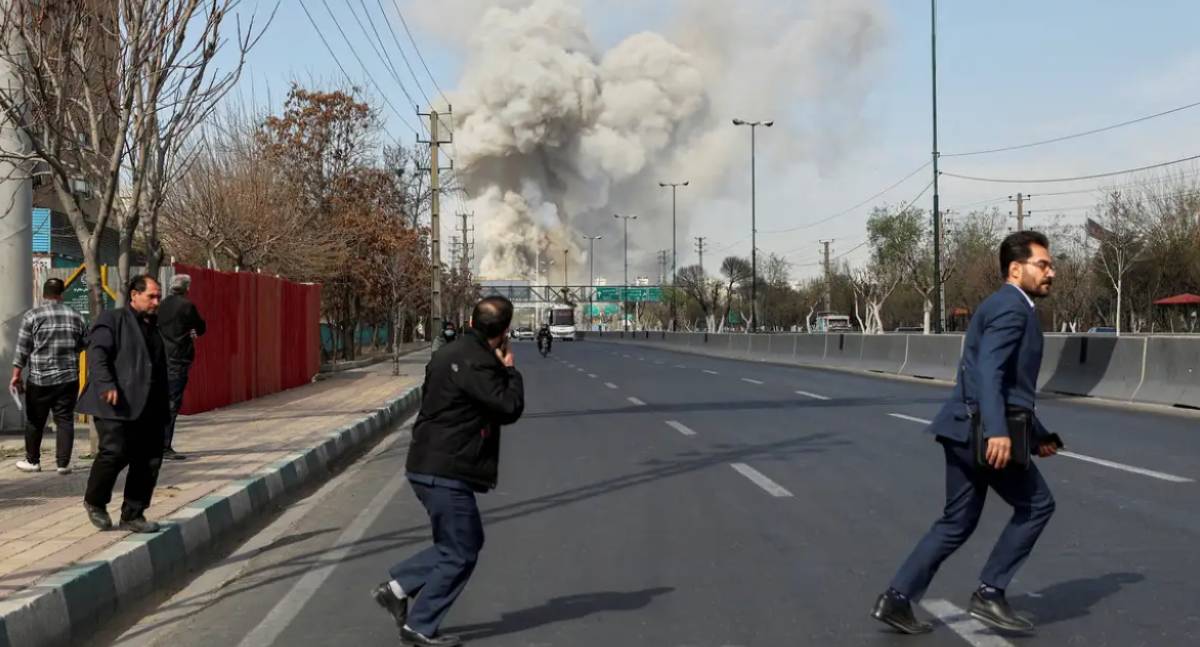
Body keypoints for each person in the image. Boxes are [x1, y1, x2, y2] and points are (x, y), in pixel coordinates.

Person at [872, 231, 1060, 634]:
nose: (1051, 272)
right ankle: (990, 593)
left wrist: (1038, 436)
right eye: (1043, 265)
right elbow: (989, 372)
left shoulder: (998, 304)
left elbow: (1004, 386)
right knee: (1037, 505)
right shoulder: (1014, 308)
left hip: (960, 429)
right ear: (1016, 269)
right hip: (983, 433)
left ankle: (896, 598)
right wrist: (997, 432)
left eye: (1051, 265)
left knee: (956, 522)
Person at [373, 296, 524, 647]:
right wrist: (510, 370)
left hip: (425, 462)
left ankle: (397, 588)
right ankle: (419, 625)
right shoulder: (481, 364)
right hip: (446, 469)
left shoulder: (446, 353)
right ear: (504, 331)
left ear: (471, 322)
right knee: (461, 551)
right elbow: (508, 407)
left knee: (463, 542)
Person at [77, 275, 171, 534]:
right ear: (134, 295)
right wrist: (106, 384)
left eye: (158, 297)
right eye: (151, 296)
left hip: (149, 406)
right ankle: (95, 501)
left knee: (149, 459)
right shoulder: (113, 319)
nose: (156, 302)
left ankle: (133, 513)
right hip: (115, 403)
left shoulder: (154, 325)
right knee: (114, 452)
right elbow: (97, 353)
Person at [9, 278, 87, 475]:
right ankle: (63, 464)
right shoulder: (76, 316)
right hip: (68, 378)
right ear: (62, 294)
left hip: (39, 378)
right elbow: (84, 343)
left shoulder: (32, 316)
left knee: (35, 420)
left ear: (44, 294)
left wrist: (16, 375)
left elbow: (23, 348)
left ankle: (33, 461)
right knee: (65, 420)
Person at [157, 274, 206, 460]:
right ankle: (164, 446)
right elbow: (200, 327)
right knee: (172, 403)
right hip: (178, 358)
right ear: (187, 288)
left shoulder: (161, 305)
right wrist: (191, 331)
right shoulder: (187, 306)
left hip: (160, 357)